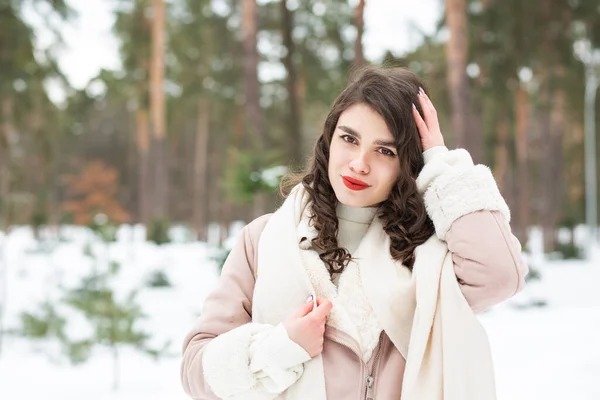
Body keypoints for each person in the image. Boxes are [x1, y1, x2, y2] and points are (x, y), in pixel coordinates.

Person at [180, 66, 528, 400]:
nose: (359, 163)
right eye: (349, 139)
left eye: (384, 150)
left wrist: (439, 161)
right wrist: (277, 350)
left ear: (407, 162)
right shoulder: (264, 240)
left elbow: (500, 276)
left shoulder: (427, 253)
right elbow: (196, 370)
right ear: (330, 141)